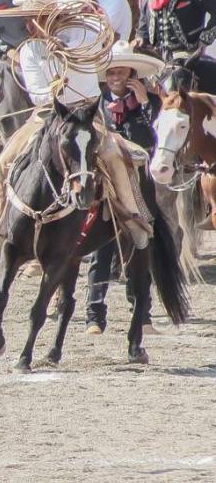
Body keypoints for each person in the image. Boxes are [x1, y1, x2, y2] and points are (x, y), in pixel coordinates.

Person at [0, 0, 153, 251]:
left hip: (86, 115)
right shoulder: (29, 50)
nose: (31, 25)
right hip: (47, 117)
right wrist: (55, 88)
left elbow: (93, 67)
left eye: (37, 18)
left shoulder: (83, 36)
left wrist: (64, 53)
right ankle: (3, 227)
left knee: (113, 155)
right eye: (29, 19)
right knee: (4, 161)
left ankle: (133, 216)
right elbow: (37, 94)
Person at [85, 41, 164, 335]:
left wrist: (144, 104)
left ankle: (142, 314)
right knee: (100, 248)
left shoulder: (151, 103)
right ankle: (94, 315)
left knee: (140, 243)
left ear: (132, 73)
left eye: (122, 71)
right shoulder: (95, 104)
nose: (117, 77)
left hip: (138, 183)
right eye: (112, 72)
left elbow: (152, 140)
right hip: (105, 183)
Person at [127, 0, 216, 94]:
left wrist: (204, 39)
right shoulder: (147, 0)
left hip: (190, 59)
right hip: (158, 64)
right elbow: (143, 33)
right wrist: (139, 40)